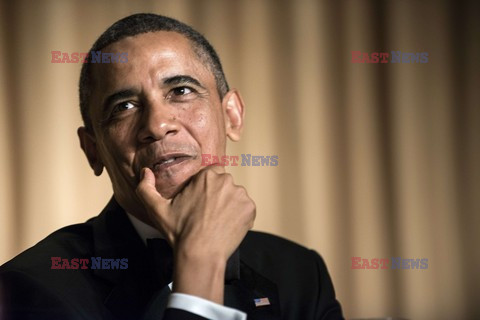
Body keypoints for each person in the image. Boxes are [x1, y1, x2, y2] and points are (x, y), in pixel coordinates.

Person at [0, 13, 344, 320]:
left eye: (181, 90)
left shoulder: (300, 272)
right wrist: (200, 263)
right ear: (93, 150)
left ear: (231, 116)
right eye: (125, 106)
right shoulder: (31, 286)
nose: (157, 125)